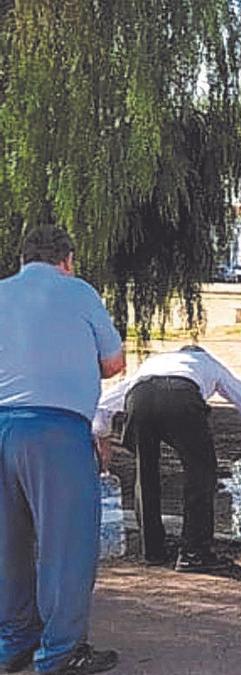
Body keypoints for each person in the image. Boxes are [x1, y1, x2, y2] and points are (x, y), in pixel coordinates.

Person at [0, 226, 125, 674]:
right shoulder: (79, 292)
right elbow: (114, 363)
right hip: (56, 431)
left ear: (21, 260)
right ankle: (60, 651)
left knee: (7, 542)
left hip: (1, 425)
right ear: (67, 260)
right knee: (65, 543)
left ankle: (12, 641)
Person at [92, 346, 241, 573]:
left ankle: (152, 549)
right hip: (182, 397)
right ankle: (194, 552)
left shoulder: (154, 363)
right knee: (201, 473)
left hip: (140, 397)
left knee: (145, 472)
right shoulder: (208, 362)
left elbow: (102, 406)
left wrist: (104, 444)